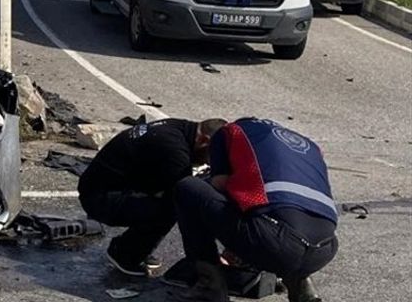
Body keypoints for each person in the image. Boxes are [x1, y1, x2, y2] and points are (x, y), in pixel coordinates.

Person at [171, 118, 337, 302]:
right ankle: (300, 283)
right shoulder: (308, 146)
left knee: (190, 188)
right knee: (283, 212)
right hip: (324, 250)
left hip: (278, 245)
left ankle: (209, 287)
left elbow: (220, 186)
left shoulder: (228, 133)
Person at [79, 118, 227, 277]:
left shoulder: (180, 129)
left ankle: (131, 246)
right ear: (204, 140)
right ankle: (124, 254)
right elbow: (187, 199)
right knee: (174, 206)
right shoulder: (174, 150)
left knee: (174, 195)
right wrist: (212, 256)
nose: (209, 162)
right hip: (99, 198)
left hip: (111, 184)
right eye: (211, 156)